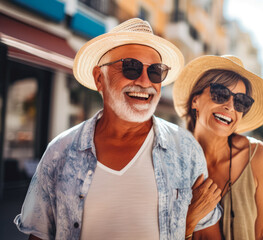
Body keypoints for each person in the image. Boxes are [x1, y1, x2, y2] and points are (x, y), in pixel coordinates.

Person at [14, 18, 221, 240]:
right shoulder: (60, 151)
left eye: (155, 71)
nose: (144, 82)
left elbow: (207, 236)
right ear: (98, 78)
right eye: (130, 67)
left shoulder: (186, 150)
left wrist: (186, 226)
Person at [173, 55, 263, 240]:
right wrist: (188, 221)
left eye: (241, 102)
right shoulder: (171, 159)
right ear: (195, 100)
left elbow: (262, 233)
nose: (229, 106)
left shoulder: (259, 156)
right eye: (220, 94)